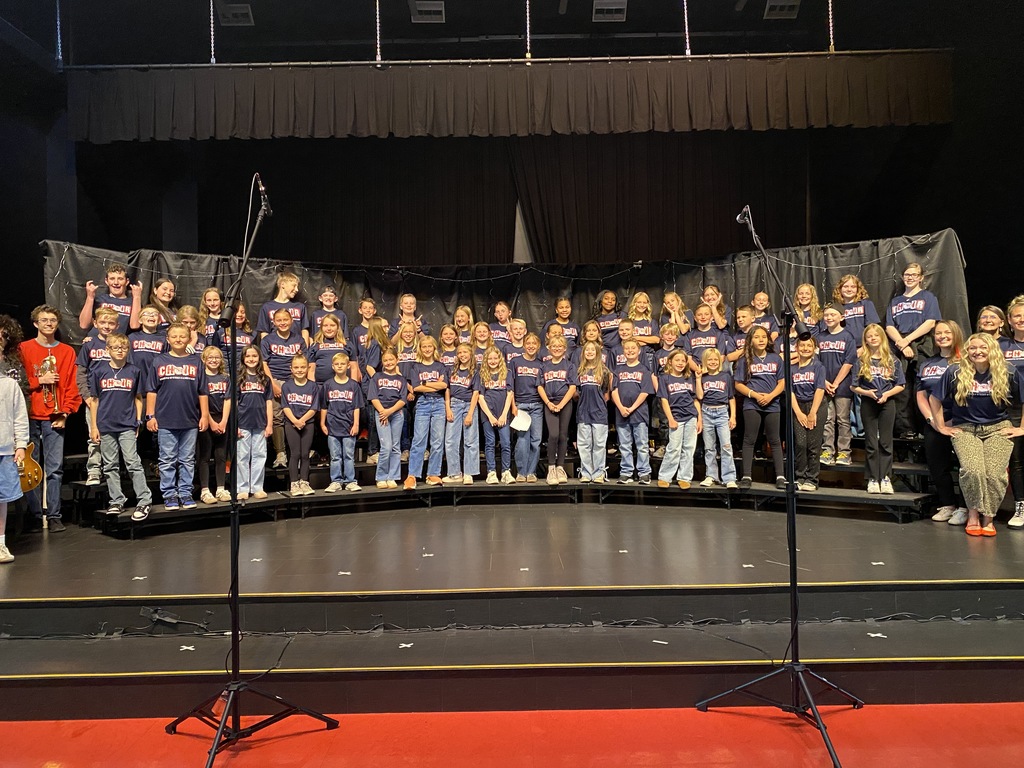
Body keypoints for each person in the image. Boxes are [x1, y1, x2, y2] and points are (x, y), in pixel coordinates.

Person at [931, 333, 1024, 536]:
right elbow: (934, 398)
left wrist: (1022, 428)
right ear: (967, 351)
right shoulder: (955, 371)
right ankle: (973, 516)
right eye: (973, 348)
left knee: (995, 474)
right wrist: (940, 426)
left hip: (997, 428)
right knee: (973, 471)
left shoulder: (1008, 371)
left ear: (992, 349)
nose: (978, 351)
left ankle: (988, 518)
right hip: (965, 428)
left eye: (983, 347)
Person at [20, 305, 82, 532]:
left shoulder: (67, 352)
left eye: (53, 320)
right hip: (28, 416)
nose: (48, 324)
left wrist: (65, 412)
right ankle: (35, 515)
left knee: (54, 469)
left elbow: (72, 386)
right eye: (44, 320)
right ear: (35, 323)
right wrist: (40, 380)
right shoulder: (23, 349)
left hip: (55, 416)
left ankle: (54, 515)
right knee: (30, 468)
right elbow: (18, 384)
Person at [86, 333, 153, 520]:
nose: (120, 351)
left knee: (133, 462)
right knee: (109, 465)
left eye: (123, 348)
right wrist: (94, 426)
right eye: (115, 347)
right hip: (105, 425)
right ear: (108, 350)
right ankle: (116, 500)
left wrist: (138, 420)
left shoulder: (134, 371)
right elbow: (94, 400)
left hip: (127, 424)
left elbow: (138, 398)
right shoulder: (99, 371)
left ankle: (144, 500)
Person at [145, 322, 210, 510]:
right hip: (165, 420)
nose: (178, 339)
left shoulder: (196, 361)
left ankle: (185, 493)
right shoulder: (159, 361)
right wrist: (150, 416)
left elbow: (203, 392)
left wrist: (204, 415)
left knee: (188, 460)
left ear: (189, 338)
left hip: (190, 420)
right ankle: (170, 495)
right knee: (167, 460)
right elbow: (151, 391)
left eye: (182, 336)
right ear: (168, 339)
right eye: (174, 336)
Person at [917, 320, 968, 525]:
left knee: (966, 467)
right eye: (938, 333)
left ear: (955, 334)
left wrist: (952, 421)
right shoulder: (928, 363)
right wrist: (933, 420)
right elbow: (921, 395)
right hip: (934, 424)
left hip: (961, 422)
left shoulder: (965, 361)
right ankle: (948, 505)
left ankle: (965, 508)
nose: (942, 336)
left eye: (947, 332)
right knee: (938, 466)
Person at [885, 262, 941, 437]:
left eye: (914, 275)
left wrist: (908, 340)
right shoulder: (896, 301)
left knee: (922, 388)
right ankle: (905, 430)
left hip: (922, 346)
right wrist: (901, 343)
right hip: (898, 346)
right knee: (902, 390)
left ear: (921, 278)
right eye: (907, 274)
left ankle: (927, 428)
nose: (910, 278)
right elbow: (889, 326)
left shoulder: (928, 297)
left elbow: (931, 322)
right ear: (903, 277)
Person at [851, 323, 906, 495]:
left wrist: (887, 394)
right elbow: (854, 386)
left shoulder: (892, 360)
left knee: (885, 442)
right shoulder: (861, 360)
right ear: (865, 340)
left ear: (882, 337)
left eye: (876, 335)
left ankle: (886, 478)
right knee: (871, 442)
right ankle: (873, 478)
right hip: (869, 403)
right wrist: (867, 393)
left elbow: (901, 385)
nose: (873, 338)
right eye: (869, 336)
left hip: (887, 403)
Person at [734, 326, 785, 490]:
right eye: (757, 337)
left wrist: (770, 396)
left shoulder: (776, 359)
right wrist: (755, 395)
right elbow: (738, 385)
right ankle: (747, 475)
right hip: (752, 403)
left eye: (764, 337)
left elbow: (782, 383)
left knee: (775, 440)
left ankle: (780, 477)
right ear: (750, 340)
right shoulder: (745, 360)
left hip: (772, 403)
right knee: (749, 440)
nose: (761, 340)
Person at [260, 308, 308, 470]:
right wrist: (272, 384)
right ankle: (281, 453)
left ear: (291, 321)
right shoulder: (268, 340)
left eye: (285, 320)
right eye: (278, 320)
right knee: (277, 417)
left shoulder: (299, 339)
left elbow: (304, 362)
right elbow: (264, 363)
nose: (282, 323)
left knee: (297, 416)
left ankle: (298, 454)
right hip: (276, 381)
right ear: (273, 322)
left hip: (295, 381)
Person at [77, 306, 120, 485]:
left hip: (117, 398)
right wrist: (86, 396)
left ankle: (115, 470)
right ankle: (94, 470)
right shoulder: (89, 344)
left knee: (116, 436)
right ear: (95, 323)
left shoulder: (121, 344)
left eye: (111, 323)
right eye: (103, 322)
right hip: (94, 399)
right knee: (94, 436)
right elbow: (81, 372)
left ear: (117, 325)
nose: (107, 326)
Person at [404, 335, 448, 489]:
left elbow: (444, 386)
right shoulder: (416, 367)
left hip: (439, 404)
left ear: (434, 348)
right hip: (422, 403)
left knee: (437, 441)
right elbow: (416, 387)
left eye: (430, 346)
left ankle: (433, 473)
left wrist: (425, 383)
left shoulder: (440, 366)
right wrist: (434, 384)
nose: (427, 349)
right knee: (419, 440)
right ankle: (412, 476)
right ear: (420, 349)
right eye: (424, 347)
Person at [817, 304, 857, 467]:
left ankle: (844, 453)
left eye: (833, 314)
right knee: (827, 419)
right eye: (826, 315)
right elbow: (816, 363)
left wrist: (835, 383)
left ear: (842, 317)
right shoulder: (820, 337)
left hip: (842, 385)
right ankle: (827, 451)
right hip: (824, 385)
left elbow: (849, 362)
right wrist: (825, 382)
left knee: (843, 420)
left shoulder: (848, 337)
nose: (829, 317)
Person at [612, 339, 655, 485]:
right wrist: (621, 407)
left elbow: (645, 392)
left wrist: (631, 408)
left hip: (639, 413)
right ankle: (626, 472)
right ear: (623, 351)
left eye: (633, 348)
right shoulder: (618, 370)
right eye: (627, 348)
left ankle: (644, 473)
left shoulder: (644, 370)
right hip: (621, 413)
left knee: (642, 444)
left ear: (639, 351)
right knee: (624, 445)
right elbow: (614, 390)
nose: (630, 351)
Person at [656, 348, 700, 489]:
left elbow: (697, 398)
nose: (680, 363)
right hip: (676, 417)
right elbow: (664, 400)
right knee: (674, 448)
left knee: (689, 448)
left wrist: (699, 419)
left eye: (683, 360)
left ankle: (684, 477)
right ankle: (665, 476)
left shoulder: (689, 377)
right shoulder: (665, 378)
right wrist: (670, 418)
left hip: (691, 417)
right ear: (670, 361)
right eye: (677, 360)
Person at [320, 351, 364, 493]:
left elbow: (357, 406)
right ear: (332, 366)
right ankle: (336, 481)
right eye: (337, 364)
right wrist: (322, 423)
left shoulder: (353, 385)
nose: (340, 366)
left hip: (349, 426)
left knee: (349, 455)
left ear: (348, 366)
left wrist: (356, 424)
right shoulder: (327, 385)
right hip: (333, 426)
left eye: (342, 364)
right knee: (335, 456)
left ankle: (350, 481)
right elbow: (324, 406)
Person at [235, 345, 273, 500]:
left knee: (259, 455)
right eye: (248, 356)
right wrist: (235, 424)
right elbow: (235, 403)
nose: (251, 359)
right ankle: (242, 487)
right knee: (242, 456)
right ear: (243, 359)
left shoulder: (265, 379)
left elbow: (269, 403)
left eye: (254, 356)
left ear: (259, 358)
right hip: (243, 423)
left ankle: (257, 487)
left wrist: (269, 424)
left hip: (260, 423)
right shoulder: (238, 378)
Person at [789, 337, 827, 492]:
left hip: (815, 406)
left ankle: (812, 479)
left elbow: (820, 389)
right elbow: (790, 391)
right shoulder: (791, 368)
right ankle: (800, 477)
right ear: (797, 348)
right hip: (798, 406)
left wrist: (812, 413)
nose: (805, 348)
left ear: (814, 348)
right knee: (800, 443)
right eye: (802, 345)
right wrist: (798, 412)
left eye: (809, 346)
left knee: (813, 444)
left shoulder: (818, 366)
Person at [369, 349, 410, 489]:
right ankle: (381, 477)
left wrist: (389, 411)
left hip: (396, 413)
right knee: (386, 446)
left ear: (397, 360)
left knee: (395, 446)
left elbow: (403, 399)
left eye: (391, 360)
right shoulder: (377, 377)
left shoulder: (401, 379)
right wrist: (383, 412)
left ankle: (393, 476)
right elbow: (373, 397)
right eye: (386, 360)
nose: (389, 363)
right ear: (382, 362)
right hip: (381, 413)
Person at [0, 359, 28, 563]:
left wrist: (20, 444)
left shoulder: (10, 385)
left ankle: (0, 543)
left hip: (4, 449)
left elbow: (19, 416)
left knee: (2, 499)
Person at [540, 335, 577, 484]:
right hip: (550, 403)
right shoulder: (544, 366)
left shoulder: (569, 366)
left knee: (563, 435)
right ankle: (551, 468)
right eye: (553, 346)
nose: (556, 349)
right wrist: (549, 403)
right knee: (553, 434)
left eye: (559, 346)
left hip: (565, 404)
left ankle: (560, 467)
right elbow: (539, 386)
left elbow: (573, 387)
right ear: (548, 348)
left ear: (564, 348)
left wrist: (561, 404)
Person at [698, 348, 737, 489]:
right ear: (705, 362)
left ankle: (729, 477)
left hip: (722, 412)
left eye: (715, 359)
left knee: (726, 446)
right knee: (709, 447)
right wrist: (697, 378)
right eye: (710, 360)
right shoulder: (702, 377)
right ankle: (711, 475)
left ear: (720, 361)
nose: (713, 362)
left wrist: (733, 416)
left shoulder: (725, 376)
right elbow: (700, 396)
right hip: (706, 412)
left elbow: (731, 398)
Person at [197, 346, 231, 504]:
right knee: (204, 455)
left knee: (221, 455)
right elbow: (200, 401)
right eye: (210, 357)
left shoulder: (225, 377)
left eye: (217, 357)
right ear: (204, 359)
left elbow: (228, 399)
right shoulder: (201, 377)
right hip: (205, 418)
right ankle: (205, 490)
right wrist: (210, 421)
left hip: (222, 419)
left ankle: (221, 488)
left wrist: (224, 420)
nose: (214, 360)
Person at [443, 342, 481, 485]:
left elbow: (476, 393)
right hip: (454, 404)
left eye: (465, 352)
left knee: (470, 441)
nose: (462, 355)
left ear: (471, 354)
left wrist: (470, 413)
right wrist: (448, 408)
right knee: (451, 441)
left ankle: (469, 473)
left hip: (469, 405)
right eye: (459, 353)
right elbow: (447, 390)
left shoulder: (475, 372)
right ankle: (454, 473)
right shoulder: (451, 370)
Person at [280, 353, 318, 496]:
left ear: (308, 368)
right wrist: (295, 421)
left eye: (303, 367)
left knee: (305, 454)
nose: (300, 370)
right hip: (291, 423)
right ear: (291, 369)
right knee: (295, 453)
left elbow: (314, 407)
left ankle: (304, 481)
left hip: (308, 423)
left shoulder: (313, 386)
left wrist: (303, 420)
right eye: (296, 367)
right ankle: (294, 483)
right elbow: (285, 406)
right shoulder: (287, 386)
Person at [1001, 296, 1024, 528]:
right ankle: (1020, 505)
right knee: (1016, 462)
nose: (1021, 319)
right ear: (1009, 319)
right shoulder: (1002, 346)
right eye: (1017, 315)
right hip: (1011, 411)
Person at [575, 340, 612, 483]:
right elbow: (576, 393)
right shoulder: (579, 371)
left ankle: (598, 474)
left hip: (599, 413)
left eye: (593, 350)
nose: (589, 352)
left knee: (599, 445)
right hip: (583, 412)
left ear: (598, 353)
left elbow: (607, 394)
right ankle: (585, 473)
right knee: (584, 445)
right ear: (583, 353)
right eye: (587, 350)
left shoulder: (604, 371)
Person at [478, 345, 515, 485]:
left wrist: (504, 414)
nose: (493, 361)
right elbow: (480, 397)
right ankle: (491, 472)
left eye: (495, 358)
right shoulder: (481, 374)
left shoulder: (507, 373)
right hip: (488, 414)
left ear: (500, 359)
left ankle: (506, 471)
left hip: (503, 414)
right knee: (490, 443)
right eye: (490, 358)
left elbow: (510, 394)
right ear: (485, 360)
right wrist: (490, 416)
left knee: (506, 443)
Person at [510, 334, 544, 483]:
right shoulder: (515, 361)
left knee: (536, 440)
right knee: (522, 440)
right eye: (528, 343)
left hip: (537, 405)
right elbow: (509, 385)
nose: (530, 346)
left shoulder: (540, 364)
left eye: (534, 343)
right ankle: (521, 472)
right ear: (523, 345)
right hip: (521, 405)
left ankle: (531, 472)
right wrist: (513, 406)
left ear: (538, 346)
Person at [78, 262, 142, 335]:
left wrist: (137, 297)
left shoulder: (133, 303)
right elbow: (83, 325)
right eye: (112, 279)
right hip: (95, 342)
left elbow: (135, 325)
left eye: (120, 279)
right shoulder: (99, 300)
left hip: (116, 344)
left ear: (127, 281)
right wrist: (90, 297)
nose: (116, 282)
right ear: (106, 281)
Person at [257, 271, 311, 344]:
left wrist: (305, 352)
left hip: (296, 350)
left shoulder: (300, 307)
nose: (297, 290)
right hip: (276, 351)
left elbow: (304, 330)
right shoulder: (267, 307)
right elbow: (264, 332)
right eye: (294, 286)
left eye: (297, 287)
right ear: (283, 284)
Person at [626, 291, 660, 371]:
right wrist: (647, 341)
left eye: (644, 302)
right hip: (631, 355)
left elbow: (656, 340)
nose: (642, 305)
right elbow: (626, 340)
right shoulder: (629, 321)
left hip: (649, 356)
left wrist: (636, 338)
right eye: (639, 302)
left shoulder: (651, 322)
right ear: (634, 303)